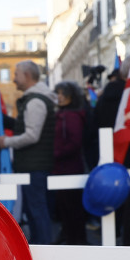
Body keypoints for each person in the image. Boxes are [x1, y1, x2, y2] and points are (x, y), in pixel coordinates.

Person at [0, 61, 56, 245]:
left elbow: (32, 135)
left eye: (16, 74)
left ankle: (45, 251)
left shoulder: (35, 101)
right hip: (33, 165)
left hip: (35, 167)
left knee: (37, 211)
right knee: (35, 211)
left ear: (27, 76)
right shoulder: (35, 99)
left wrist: (6, 142)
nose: (14, 79)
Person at [52, 81, 88, 245]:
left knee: (72, 207)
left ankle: (76, 241)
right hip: (63, 167)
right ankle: (71, 238)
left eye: (62, 93)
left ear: (70, 97)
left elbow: (75, 142)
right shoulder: (63, 114)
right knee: (65, 207)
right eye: (58, 93)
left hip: (69, 168)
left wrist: (56, 154)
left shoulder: (71, 116)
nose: (58, 97)